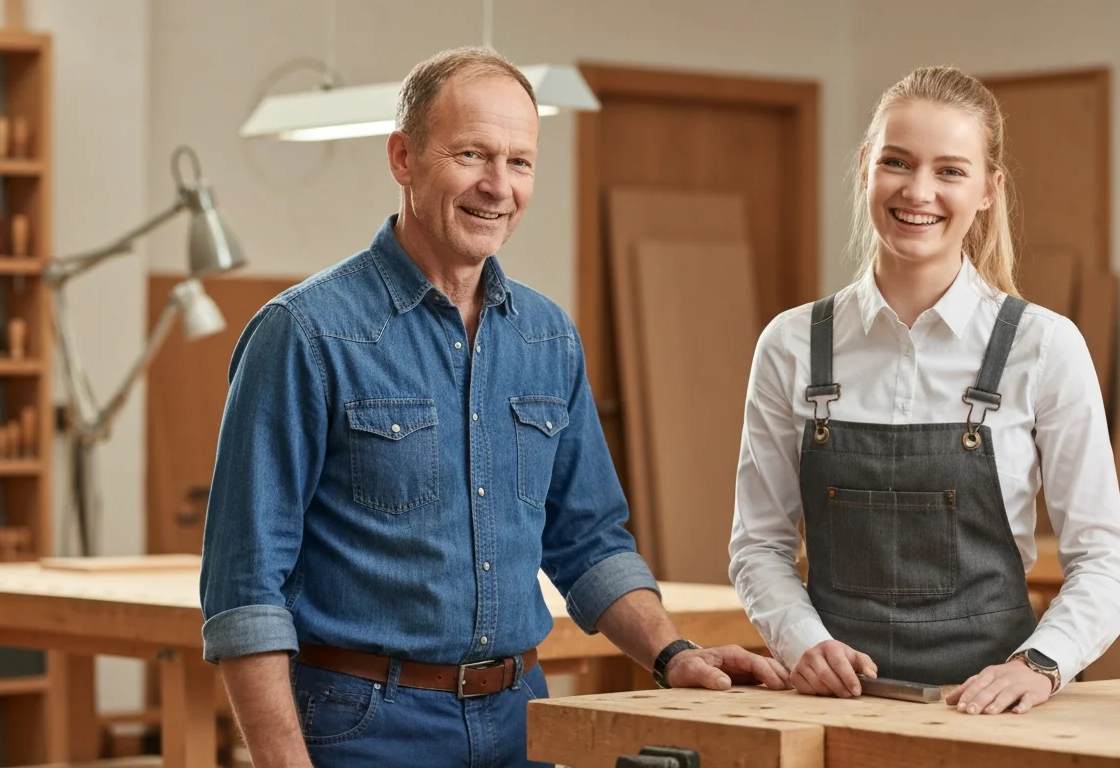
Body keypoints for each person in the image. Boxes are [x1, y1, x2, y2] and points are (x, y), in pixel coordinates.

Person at [199, 46, 788, 767]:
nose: (497, 185)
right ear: (403, 158)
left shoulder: (546, 336)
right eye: (472, 153)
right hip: (362, 728)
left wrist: (672, 653)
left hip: (520, 718)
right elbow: (244, 586)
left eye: (520, 161)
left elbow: (590, 540)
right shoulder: (305, 333)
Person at [728, 65, 1120, 716]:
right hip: (835, 709)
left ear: (988, 191)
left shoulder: (1044, 348)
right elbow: (759, 545)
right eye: (897, 162)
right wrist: (801, 641)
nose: (918, 191)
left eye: (950, 170)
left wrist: (1041, 666)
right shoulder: (792, 345)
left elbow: (1105, 559)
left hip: (995, 717)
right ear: (867, 167)